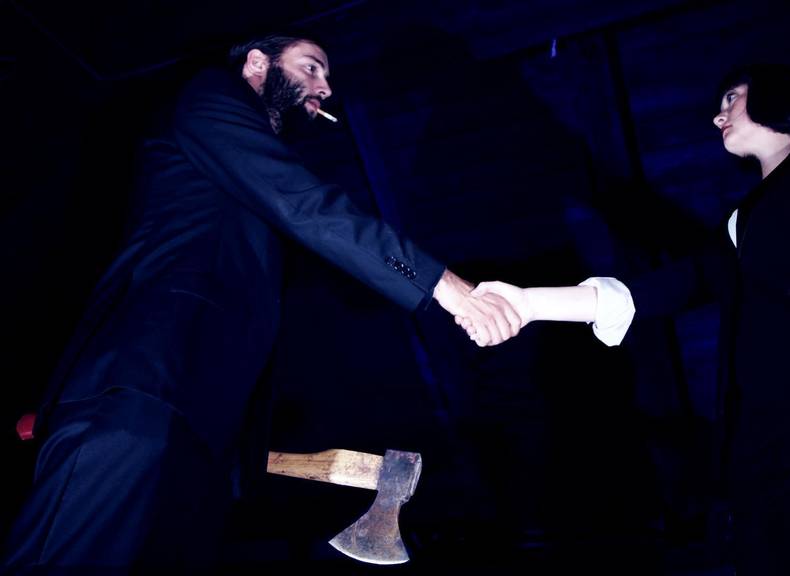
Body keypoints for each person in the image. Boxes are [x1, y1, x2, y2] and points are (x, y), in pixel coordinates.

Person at [2, 33, 519, 573]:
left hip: (204, 441)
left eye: (326, 77)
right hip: (141, 395)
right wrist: (444, 286)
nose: (325, 87)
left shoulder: (245, 178)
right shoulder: (209, 98)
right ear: (256, 63)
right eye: (312, 68)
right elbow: (307, 205)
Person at [459, 63, 790, 574]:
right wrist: (529, 303)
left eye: (732, 97)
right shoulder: (739, 226)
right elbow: (659, 290)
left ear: (777, 94)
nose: (718, 117)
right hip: (756, 453)